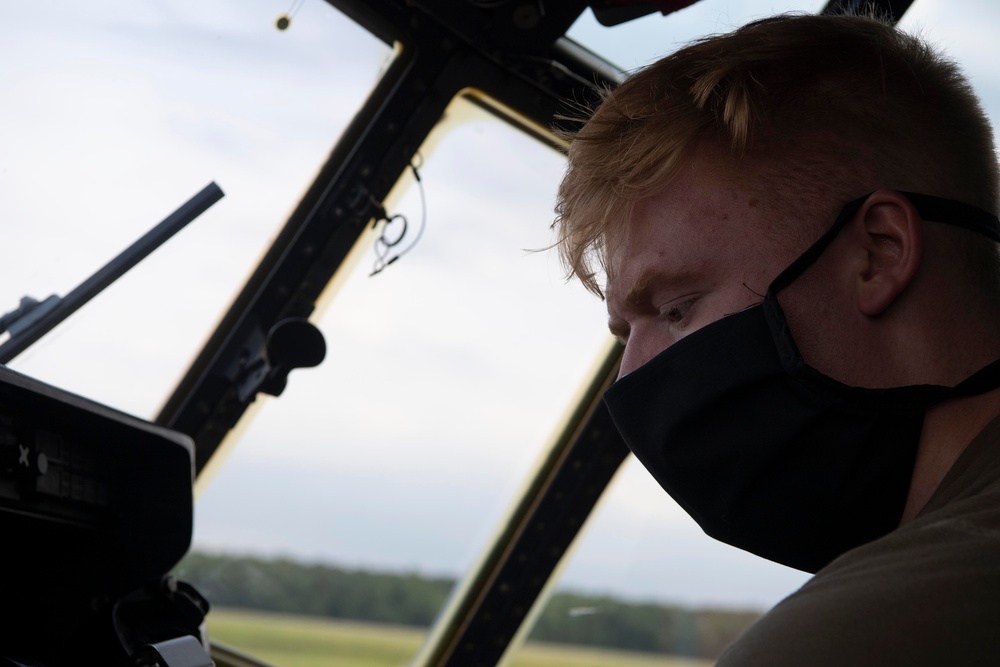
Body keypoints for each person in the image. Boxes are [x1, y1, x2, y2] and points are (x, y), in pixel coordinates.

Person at [554, 11, 1000, 665]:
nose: (632, 381)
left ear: (878, 254)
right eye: (626, 331)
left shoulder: (864, 637)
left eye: (677, 309)